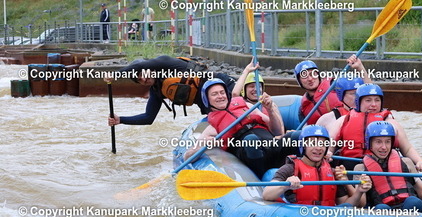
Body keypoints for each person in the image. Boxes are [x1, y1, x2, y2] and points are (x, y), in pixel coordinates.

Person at [184, 79, 290, 177]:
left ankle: (293, 170)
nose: (220, 96)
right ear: (207, 100)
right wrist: (204, 144)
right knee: (251, 140)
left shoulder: (248, 107)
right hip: (251, 153)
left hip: (271, 146)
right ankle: (264, 179)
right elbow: (187, 157)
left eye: (222, 92)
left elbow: (277, 132)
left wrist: (270, 110)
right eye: (214, 94)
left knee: (293, 136)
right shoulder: (212, 128)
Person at [106, 55, 235, 127]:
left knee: (237, 107)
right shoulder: (157, 91)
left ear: (150, 67)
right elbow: (148, 118)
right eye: (139, 80)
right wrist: (120, 120)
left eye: (142, 74)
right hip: (209, 105)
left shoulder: (166, 64)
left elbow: (140, 65)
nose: (144, 79)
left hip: (223, 86)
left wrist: (116, 75)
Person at [328, 83, 422, 172]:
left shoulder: (390, 122)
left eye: (377, 100)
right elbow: (330, 144)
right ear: (358, 102)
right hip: (350, 166)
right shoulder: (344, 120)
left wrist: (419, 161)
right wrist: (328, 152)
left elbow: (407, 149)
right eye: (368, 100)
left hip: (380, 168)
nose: (373, 104)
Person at [352, 121, 422, 210]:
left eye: (387, 141)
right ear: (369, 143)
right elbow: (361, 204)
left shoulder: (406, 162)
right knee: (381, 208)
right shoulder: (360, 169)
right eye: (378, 142)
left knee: (413, 202)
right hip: (384, 213)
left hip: (409, 211)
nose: (384, 147)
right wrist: (360, 191)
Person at [263, 125, 371, 206]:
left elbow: (345, 205)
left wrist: (359, 192)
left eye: (322, 144)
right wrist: (286, 186)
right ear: (303, 146)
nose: (318, 148)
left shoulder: (332, 172)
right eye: (313, 143)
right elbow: (267, 194)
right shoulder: (290, 168)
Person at [295, 55, 370, 125]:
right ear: (299, 81)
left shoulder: (334, 85)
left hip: (348, 125)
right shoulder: (303, 108)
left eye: (312, 74)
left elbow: (369, 91)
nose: (310, 79)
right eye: (304, 76)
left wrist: (360, 68)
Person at [232, 61, 284, 134]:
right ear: (244, 90)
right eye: (251, 86)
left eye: (259, 86)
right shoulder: (242, 104)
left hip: (267, 136)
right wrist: (247, 70)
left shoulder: (270, 105)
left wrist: (270, 110)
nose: (256, 89)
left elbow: (280, 131)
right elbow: (235, 94)